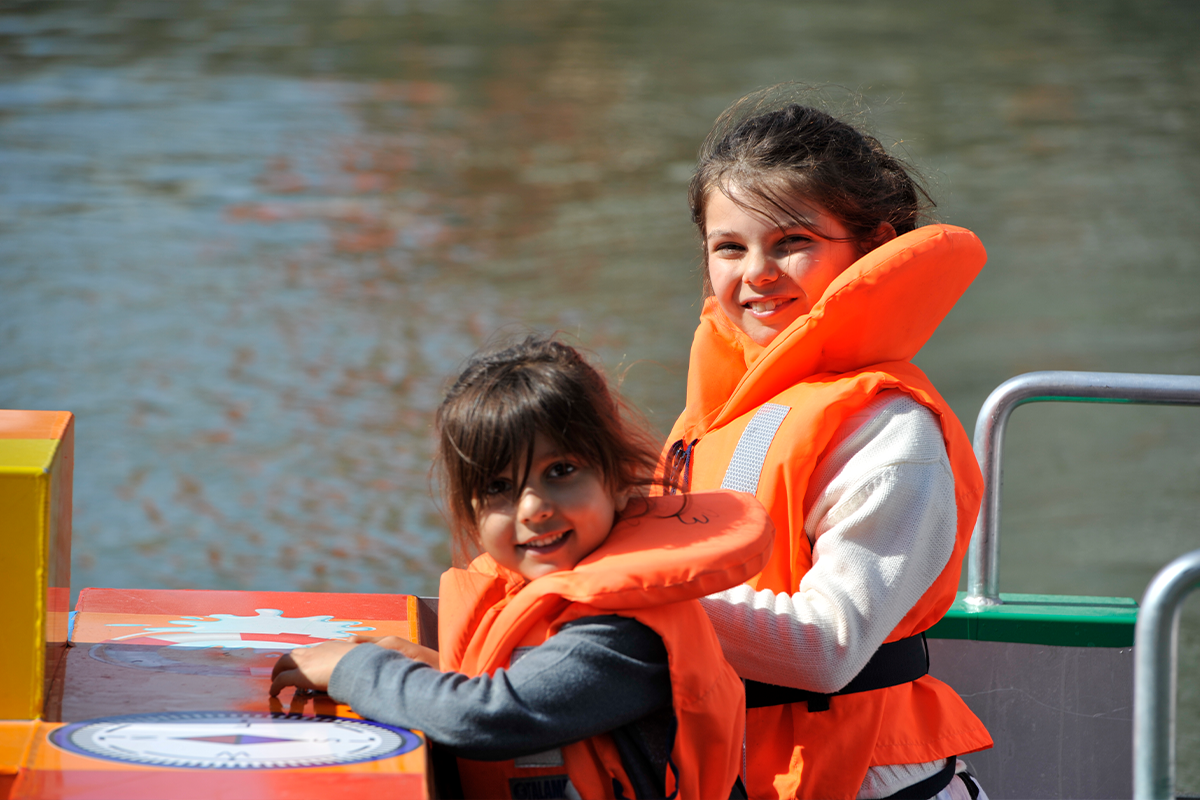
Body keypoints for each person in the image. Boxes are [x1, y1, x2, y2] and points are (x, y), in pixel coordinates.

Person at [660, 91, 993, 800]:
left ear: (871, 247)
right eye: (729, 247)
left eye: (791, 243)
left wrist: (629, 602)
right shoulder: (724, 408)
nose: (756, 274)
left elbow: (827, 647)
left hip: (870, 781)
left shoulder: (892, 433)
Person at [271, 335, 775, 800]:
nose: (532, 507)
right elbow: (528, 683)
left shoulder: (623, 635)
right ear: (471, 510)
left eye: (560, 471)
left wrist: (355, 671)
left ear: (620, 479)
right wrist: (432, 669)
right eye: (498, 488)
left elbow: (488, 718)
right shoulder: (550, 590)